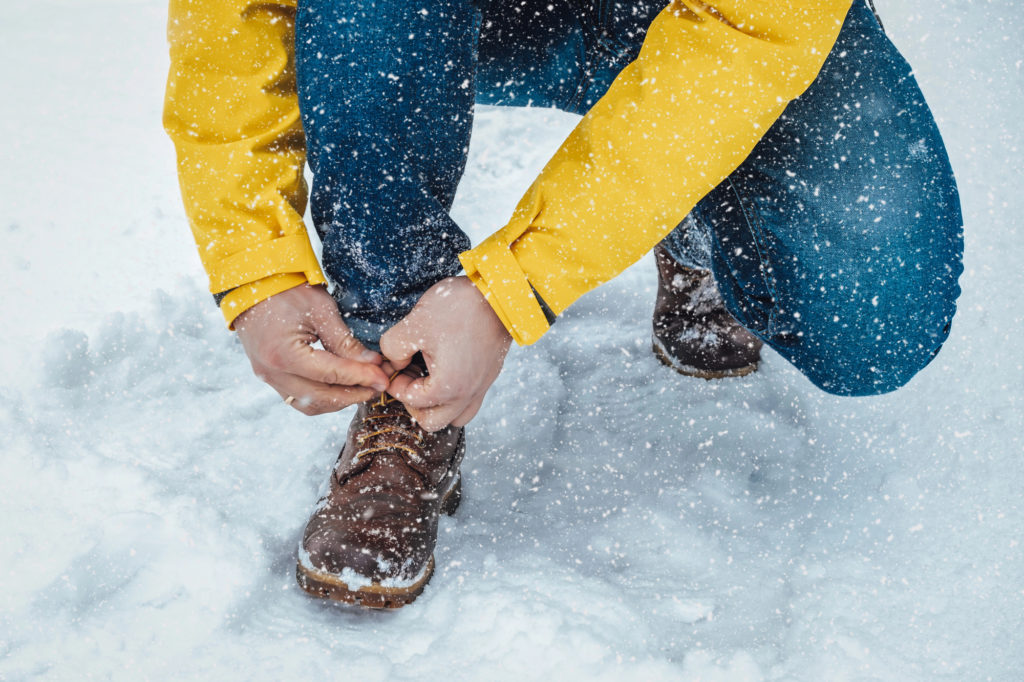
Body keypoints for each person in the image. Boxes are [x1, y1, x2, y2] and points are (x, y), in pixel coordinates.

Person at [164, 0, 963, 608]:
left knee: (873, 316)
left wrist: (513, 288)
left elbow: (749, 30)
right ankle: (404, 373)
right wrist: (256, 267)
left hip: (722, 16)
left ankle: (691, 225)